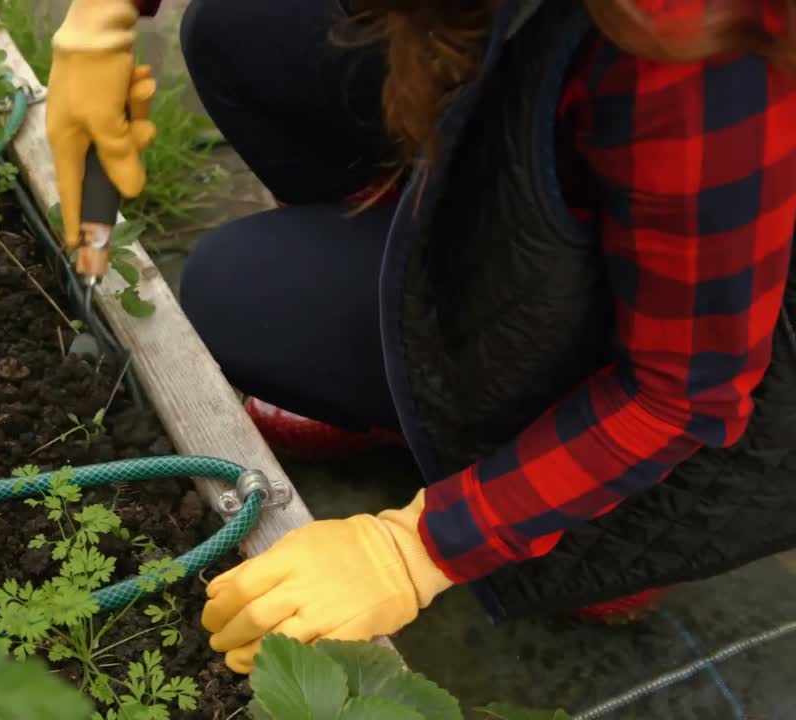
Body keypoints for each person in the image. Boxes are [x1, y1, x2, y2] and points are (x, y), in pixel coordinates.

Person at [46, 0, 796, 673]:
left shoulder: (693, 56)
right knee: (238, 29)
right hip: (548, 151)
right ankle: (407, 388)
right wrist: (102, 20)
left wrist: (419, 548)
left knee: (238, 292)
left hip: (694, 325)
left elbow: (686, 394)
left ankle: (593, 518)